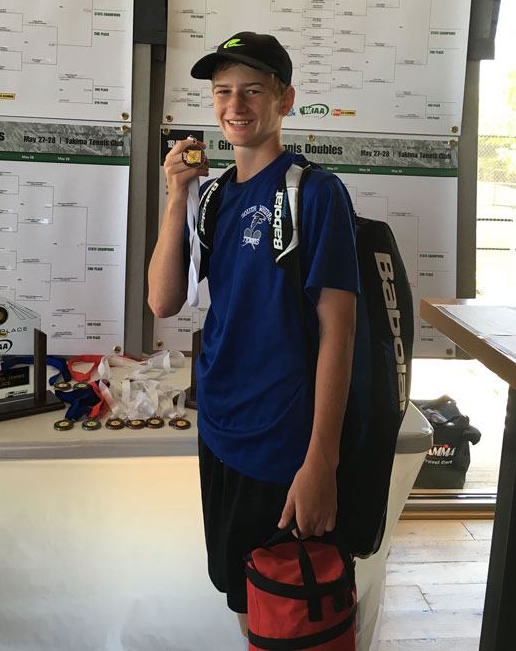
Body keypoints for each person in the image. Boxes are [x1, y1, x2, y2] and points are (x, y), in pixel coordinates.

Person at [148, 31, 359, 636]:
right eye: (223, 92)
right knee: (243, 597)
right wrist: (177, 194)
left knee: (290, 609)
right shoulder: (214, 196)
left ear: (284, 99)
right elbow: (163, 300)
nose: (235, 105)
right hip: (220, 428)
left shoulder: (316, 192)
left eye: (253, 91)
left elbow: (339, 333)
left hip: (283, 443)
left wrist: (321, 460)